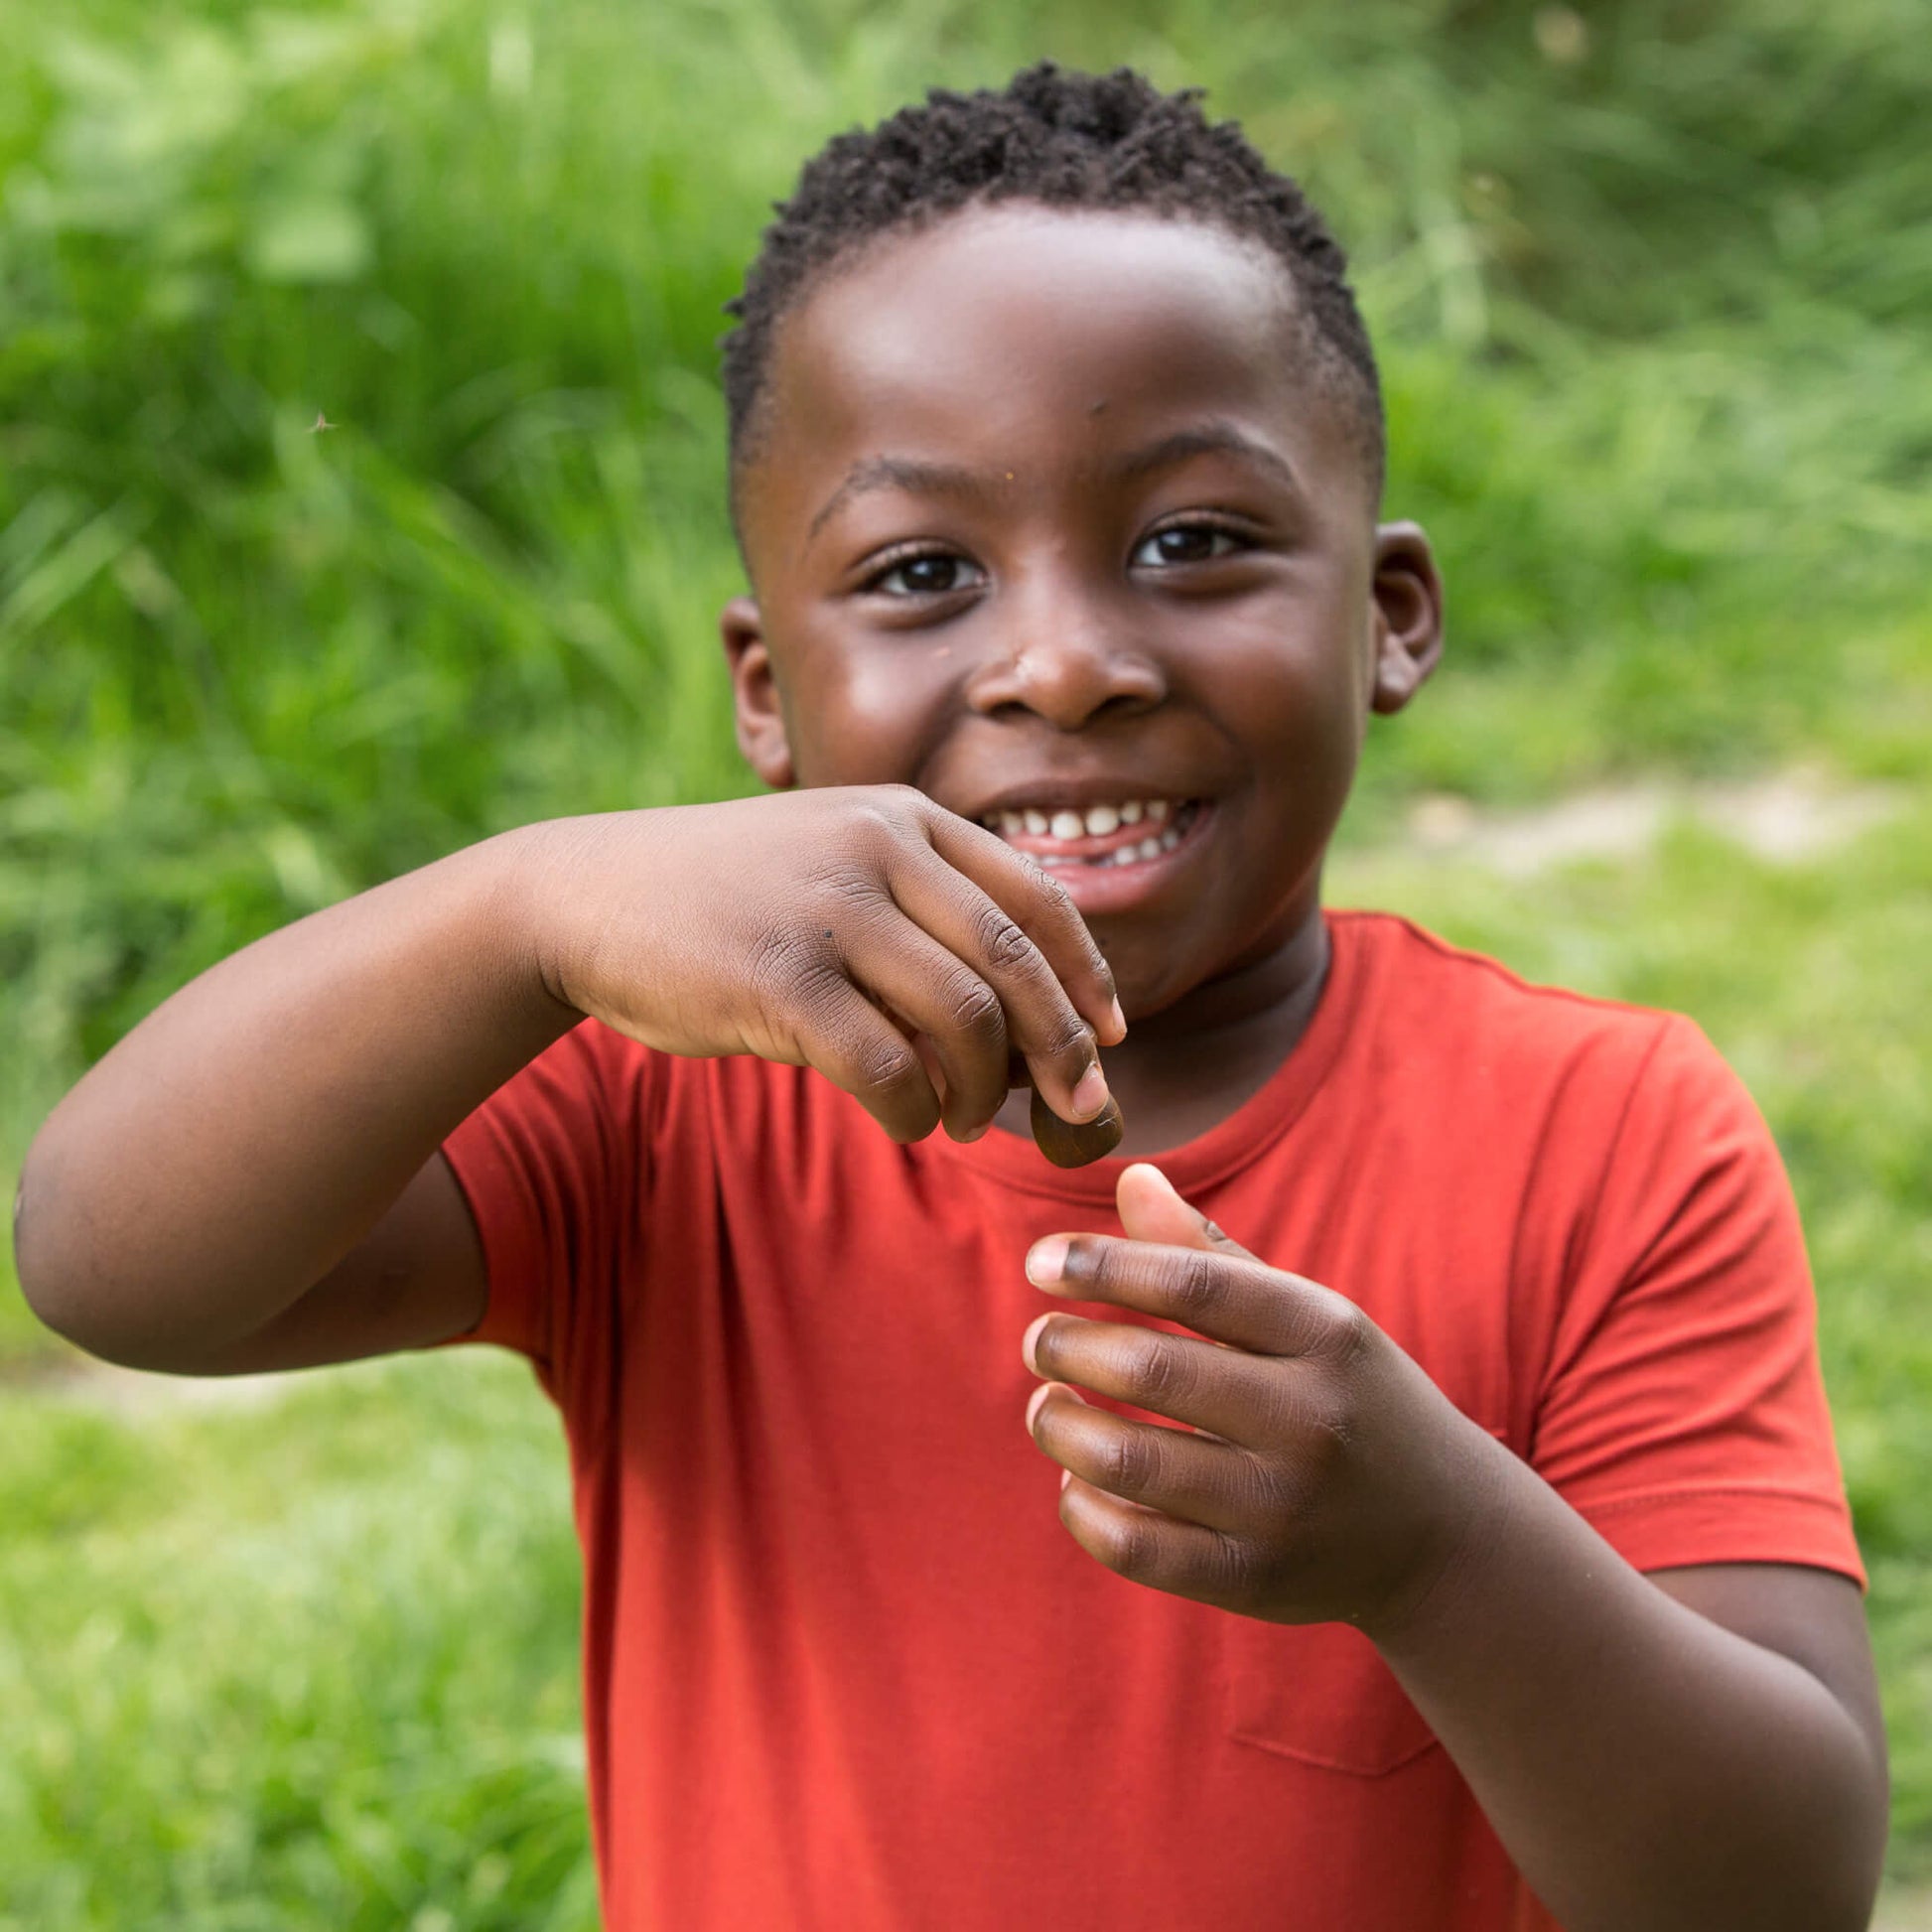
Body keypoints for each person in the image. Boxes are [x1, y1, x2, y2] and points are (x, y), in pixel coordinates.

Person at [15, 64, 1886, 1932]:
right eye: (922, 572)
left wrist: (1441, 1553)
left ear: (1387, 614)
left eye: (1190, 540)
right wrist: (521, 906)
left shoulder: (1603, 1131)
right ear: (765, 695)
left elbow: (1776, 1889)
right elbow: (112, 1262)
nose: (1063, 665)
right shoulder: (667, 1098)